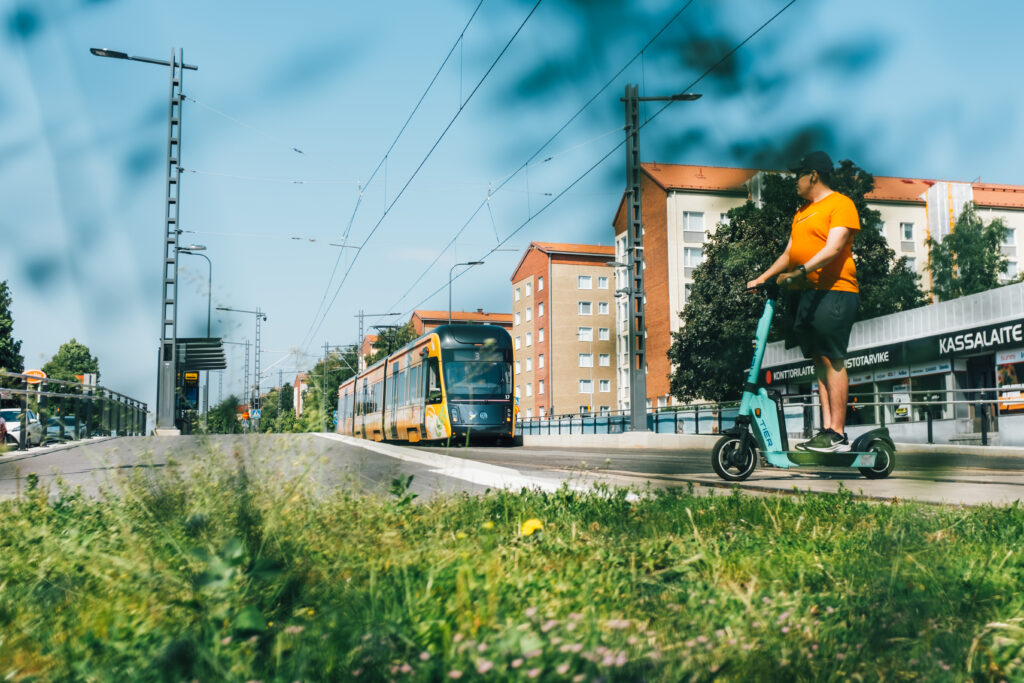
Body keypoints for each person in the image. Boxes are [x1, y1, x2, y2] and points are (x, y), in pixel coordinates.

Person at [747, 151, 860, 453]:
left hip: (835, 290)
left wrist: (799, 272)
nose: (793, 181)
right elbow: (788, 254)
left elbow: (834, 248)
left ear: (813, 175)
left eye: (798, 175)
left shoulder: (841, 204)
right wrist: (763, 277)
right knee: (818, 360)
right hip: (807, 295)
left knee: (831, 357)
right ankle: (826, 431)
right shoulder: (801, 213)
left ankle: (837, 432)